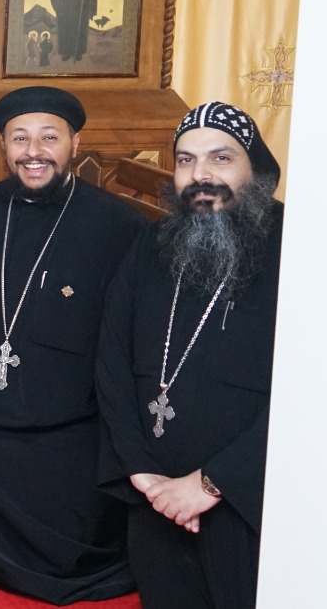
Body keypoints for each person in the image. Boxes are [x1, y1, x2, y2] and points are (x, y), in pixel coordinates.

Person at [0, 86, 147, 604]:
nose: (33, 152)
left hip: (70, 396)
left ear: (74, 143)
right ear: (4, 145)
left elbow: (137, 321)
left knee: (75, 466)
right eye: (20, 138)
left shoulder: (119, 224)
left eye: (48, 138)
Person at [97, 102, 284, 609]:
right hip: (155, 495)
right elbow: (111, 357)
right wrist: (139, 468)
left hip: (249, 502)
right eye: (185, 160)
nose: (201, 175)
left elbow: (316, 390)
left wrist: (213, 484)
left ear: (256, 169)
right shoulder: (154, 243)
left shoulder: (297, 249)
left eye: (220, 158)